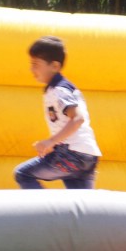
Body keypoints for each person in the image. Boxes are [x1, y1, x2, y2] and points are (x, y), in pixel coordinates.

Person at [14, 35, 103, 189]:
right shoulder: (62, 88)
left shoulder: (59, 90)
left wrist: (51, 141)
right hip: (88, 155)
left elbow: (78, 119)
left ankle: (46, 211)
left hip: (71, 154)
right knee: (79, 206)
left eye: (36, 64)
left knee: (23, 174)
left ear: (55, 66)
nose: (31, 69)